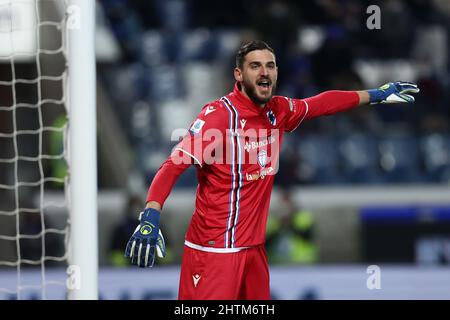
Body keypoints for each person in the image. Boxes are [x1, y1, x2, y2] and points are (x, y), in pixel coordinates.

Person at [124, 40, 419, 299]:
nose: (265, 72)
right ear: (239, 75)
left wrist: (375, 94)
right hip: (214, 252)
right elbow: (173, 164)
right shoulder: (219, 117)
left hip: (253, 251)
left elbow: (320, 104)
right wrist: (150, 214)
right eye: (255, 66)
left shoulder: (277, 111)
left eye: (270, 65)